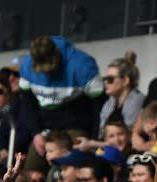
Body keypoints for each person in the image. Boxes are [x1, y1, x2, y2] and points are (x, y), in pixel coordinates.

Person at [20, 36, 104, 169]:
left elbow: (100, 106)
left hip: (77, 126)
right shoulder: (26, 65)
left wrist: (94, 139)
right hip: (45, 129)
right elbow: (27, 103)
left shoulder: (82, 65)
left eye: (50, 69)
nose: (48, 74)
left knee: (66, 166)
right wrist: (36, 132)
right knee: (30, 170)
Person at [100, 52, 145, 131]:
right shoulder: (110, 101)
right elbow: (102, 132)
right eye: (105, 79)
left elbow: (128, 134)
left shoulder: (136, 100)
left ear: (125, 81)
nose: (106, 82)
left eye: (110, 79)